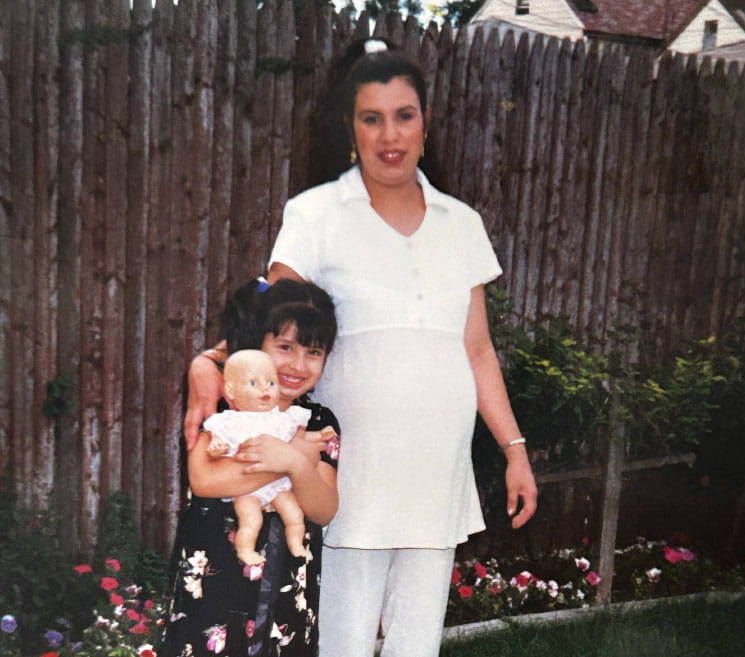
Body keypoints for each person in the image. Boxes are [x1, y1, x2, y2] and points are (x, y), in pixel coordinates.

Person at [184, 39, 538, 657]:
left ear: (425, 123)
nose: (389, 134)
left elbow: (477, 351)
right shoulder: (317, 213)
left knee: (416, 643)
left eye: (404, 115)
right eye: (371, 118)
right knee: (342, 641)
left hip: (435, 468)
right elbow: (269, 313)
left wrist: (514, 450)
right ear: (350, 129)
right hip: (351, 475)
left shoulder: (463, 224)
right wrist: (207, 363)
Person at [164, 278, 339, 657]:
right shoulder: (224, 412)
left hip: (287, 589)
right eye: (284, 347)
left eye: (313, 352)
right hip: (214, 580)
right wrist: (284, 462)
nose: (297, 364)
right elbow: (204, 479)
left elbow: (324, 509)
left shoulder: (318, 421)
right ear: (257, 343)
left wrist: (295, 460)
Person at [205, 349, 337, 562]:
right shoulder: (227, 421)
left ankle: (296, 545)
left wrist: (319, 435)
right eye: (253, 384)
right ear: (231, 391)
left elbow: (297, 440)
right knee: (251, 519)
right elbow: (215, 440)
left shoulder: (281, 419)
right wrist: (216, 445)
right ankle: (245, 550)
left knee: (294, 514)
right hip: (247, 490)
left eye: (271, 383)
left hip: (277, 488)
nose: (265, 389)